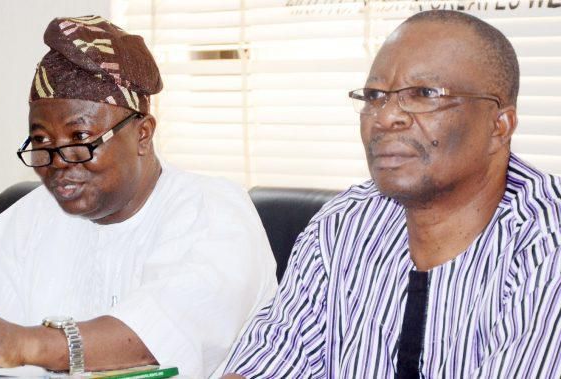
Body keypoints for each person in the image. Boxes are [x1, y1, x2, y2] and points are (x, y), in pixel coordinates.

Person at [0, 15, 277, 378]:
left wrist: (26, 342)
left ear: (142, 133)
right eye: (42, 141)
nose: (59, 162)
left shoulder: (212, 212)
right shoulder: (24, 220)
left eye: (80, 140)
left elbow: (157, 337)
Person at [222, 10, 561, 378]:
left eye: (424, 94)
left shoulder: (546, 241)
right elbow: (268, 361)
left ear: (500, 125)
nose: (384, 117)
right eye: (374, 96)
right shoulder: (343, 225)